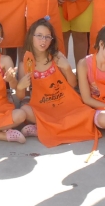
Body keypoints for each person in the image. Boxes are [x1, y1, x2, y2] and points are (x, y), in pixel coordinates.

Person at [16, 18, 100, 148]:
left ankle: (42, 127)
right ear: (31, 37)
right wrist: (20, 86)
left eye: (47, 37)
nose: (43, 40)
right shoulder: (25, 64)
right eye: (39, 36)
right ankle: (50, 126)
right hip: (43, 108)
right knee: (24, 110)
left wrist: (67, 68)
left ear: (52, 40)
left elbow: (72, 85)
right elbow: (22, 97)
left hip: (64, 104)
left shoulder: (57, 57)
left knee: (88, 113)